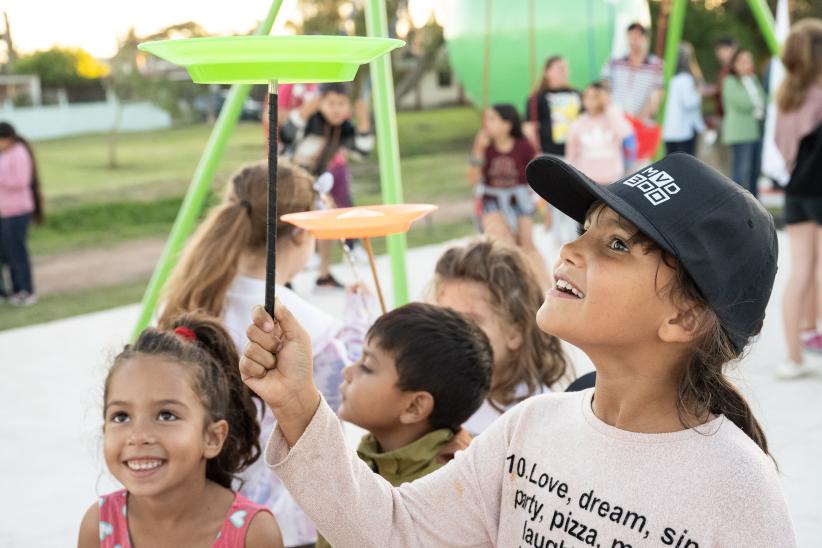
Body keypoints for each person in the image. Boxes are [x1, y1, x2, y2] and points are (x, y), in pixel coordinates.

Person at [240, 152, 796, 546]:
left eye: (618, 244)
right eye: (584, 227)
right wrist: (297, 402)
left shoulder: (739, 490)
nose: (571, 248)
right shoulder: (530, 428)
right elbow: (394, 529)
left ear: (684, 317)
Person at [158, 160, 372, 547]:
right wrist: (362, 328)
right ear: (301, 235)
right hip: (284, 521)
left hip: (201, 507)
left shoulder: (186, 304)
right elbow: (347, 405)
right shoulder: (309, 325)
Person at [77, 313, 282, 547]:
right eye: (121, 416)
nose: (138, 436)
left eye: (166, 415)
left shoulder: (253, 534)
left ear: (212, 438)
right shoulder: (98, 526)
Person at [315, 303, 494, 548]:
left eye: (366, 366)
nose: (348, 371)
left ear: (414, 407)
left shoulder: (448, 489)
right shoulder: (367, 457)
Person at [431, 239, 571, 435]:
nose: (449, 334)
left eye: (469, 322)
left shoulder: (537, 416)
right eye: (443, 318)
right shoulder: (434, 399)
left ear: (515, 332)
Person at [280, 82, 373, 290]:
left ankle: (324, 273)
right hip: (289, 177)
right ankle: (284, 278)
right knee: (288, 228)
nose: (337, 109)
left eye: (342, 103)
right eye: (331, 103)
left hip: (314, 179)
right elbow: (286, 134)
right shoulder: (311, 120)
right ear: (319, 103)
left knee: (327, 216)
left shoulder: (343, 128)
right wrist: (305, 111)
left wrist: (364, 119)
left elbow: (362, 151)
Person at [775, 18, 822, 379]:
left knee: (801, 273)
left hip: (796, 191)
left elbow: (781, 144)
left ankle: (793, 357)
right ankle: (812, 334)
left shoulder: (786, 98)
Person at [468, 104, 549, 288]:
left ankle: (544, 287)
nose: (486, 123)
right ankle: (515, 287)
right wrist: (478, 150)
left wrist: (545, 208)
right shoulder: (485, 146)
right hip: (492, 198)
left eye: (492, 119)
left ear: (507, 125)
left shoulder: (524, 146)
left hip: (519, 197)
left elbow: (538, 174)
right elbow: (473, 179)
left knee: (526, 244)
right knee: (504, 243)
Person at [523, 55, 582, 242]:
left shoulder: (577, 94)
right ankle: (555, 240)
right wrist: (536, 148)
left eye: (565, 67)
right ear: (547, 72)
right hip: (550, 153)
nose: (563, 71)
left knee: (574, 200)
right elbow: (529, 126)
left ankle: (574, 238)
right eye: (558, 68)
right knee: (553, 201)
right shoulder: (537, 98)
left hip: (576, 155)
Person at [602, 21, 663, 161]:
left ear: (646, 39)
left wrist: (637, 121)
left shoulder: (656, 65)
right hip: (616, 123)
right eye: (631, 36)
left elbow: (656, 95)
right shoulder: (614, 62)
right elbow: (605, 88)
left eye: (638, 37)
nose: (634, 41)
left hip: (641, 124)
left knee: (638, 166)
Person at [0, 121, 44, 306]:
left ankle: (25, 290)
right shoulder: (3, 154)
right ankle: (9, 291)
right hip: (3, 212)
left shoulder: (19, 152)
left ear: (7, 139)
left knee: (17, 253)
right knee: (4, 254)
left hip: (17, 211)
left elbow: (21, 181)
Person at [566, 81, 635, 184]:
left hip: (612, 178)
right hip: (587, 180)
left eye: (595, 96)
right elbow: (571, 154)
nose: (589, 100)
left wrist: (608, 106)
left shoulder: (612, 116)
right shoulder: (578, 123)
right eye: (587, 96)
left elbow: (625, 133)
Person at [722, 48, 766, 198]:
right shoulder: (730, 81)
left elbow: (764, 101)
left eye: (749, 60)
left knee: (755, 171)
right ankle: (737, 203)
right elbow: (745, 102)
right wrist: (756, 97)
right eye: (743, 61)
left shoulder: (752, 80)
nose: (747, 64)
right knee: (741, 172)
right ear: (734, 64)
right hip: (739, 133)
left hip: (754, 131)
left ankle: (756, 204)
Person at [663, 43, 706, 156]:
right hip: (683, 131)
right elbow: (689, 103)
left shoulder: (667, 78)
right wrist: (699, 93)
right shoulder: (685, 79)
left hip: (668, 131)